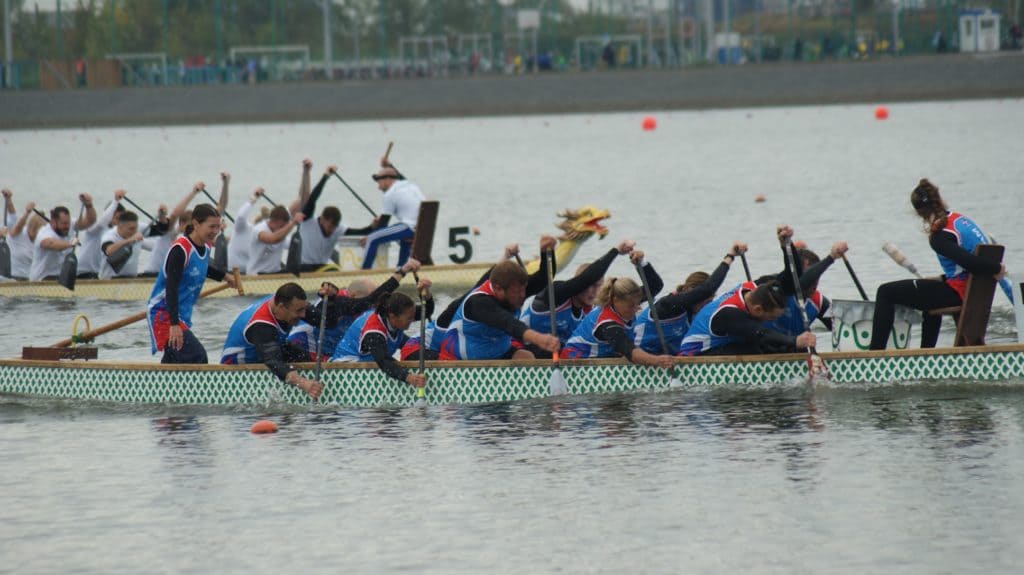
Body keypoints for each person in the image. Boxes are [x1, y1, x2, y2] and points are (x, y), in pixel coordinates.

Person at [870, 179, 1008, 350]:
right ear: (939, 199)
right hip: (973, 290)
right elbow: (966, 263)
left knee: (885, 292)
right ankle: (927, 353)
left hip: (960, 292)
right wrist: (942, 278)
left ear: (918, 212)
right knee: (930, 290)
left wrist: (997, 268)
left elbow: (969, 262)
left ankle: (874, 354)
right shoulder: (959, 219)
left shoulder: (939, 236)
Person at [439, 242, 561, 360]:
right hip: (460, 363)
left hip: (498, 354)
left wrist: (546, 252)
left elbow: (544, 279)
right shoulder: (478, 302)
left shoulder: (515, 289)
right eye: (516, 292)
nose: (522, 295)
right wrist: (539, 339)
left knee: (525, 357)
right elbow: (508, 323)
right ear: (498, 288)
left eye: (523, 290)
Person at [147, 204, 237, 364]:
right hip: (163, 312)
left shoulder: (206, 244)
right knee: (197, 356)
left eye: (218, 226)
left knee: (178, 358)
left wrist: (224, 276)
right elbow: (171, 289)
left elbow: (201, 266)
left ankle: (161, 386)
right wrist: (174, 325)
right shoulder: (180, 250)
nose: (216, 231)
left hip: (180, 315)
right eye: (211, 226)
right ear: (196, 224)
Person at [220, 282, 339, 399]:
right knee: (282, 363)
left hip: (265, 353)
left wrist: (331, 299)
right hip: (236, 370)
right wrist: (304, 384)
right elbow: (273, 361)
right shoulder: (261, 325)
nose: (303, 315)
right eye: (299, 311)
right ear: (281, 307)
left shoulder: (289, 303)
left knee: (302, 356)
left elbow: (329, 323)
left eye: (304, 309)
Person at [520, 239, 637, 357]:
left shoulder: (593, 312)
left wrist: (641, 263)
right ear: (580, 282)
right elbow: (587, 278)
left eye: (599, 286)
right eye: (591, 285)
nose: (595, 291)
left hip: (557, 357)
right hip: (523, 349)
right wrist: (615, 251)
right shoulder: (556, 294)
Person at [287, 258, 420, 361]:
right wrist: (402, 271)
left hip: (328, 349)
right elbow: (371, 300)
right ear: (354, 296)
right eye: (371, 304)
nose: (374, 307)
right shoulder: (340, 302)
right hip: (303, 345)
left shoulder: (353, 306)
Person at [560, 252, 675, 368]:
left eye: (638, 303)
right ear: (615, 300)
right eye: (631, 306)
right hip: (574, 365)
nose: (636, 309)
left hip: (600, 361)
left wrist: (642, 263)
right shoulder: (607, 323)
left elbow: (655, 286)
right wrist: (657, 361)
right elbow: (630, 351)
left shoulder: (627, 299)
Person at [634, 242, 747, 354]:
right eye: (706, 301)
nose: (707, 307)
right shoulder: (668, 305)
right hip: (638, 359)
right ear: (690, 291)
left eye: (710, 301)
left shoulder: (695, 315)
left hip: (666, 361)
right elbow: (707, 289)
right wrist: (730, 256)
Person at [331, 282, 435, 390]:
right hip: (346, 369)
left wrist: (426, 293)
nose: (412, 320)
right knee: (394, 362)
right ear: (393, 316)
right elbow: (384, 361)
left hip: (372, 359)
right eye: (409, 318)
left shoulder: (399, 314)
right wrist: (409, 377)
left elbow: (425, 312)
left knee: (415, 347)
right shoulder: (374, 332)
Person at [679, 279, 816, 356]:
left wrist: (786, 245)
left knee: (777, 345)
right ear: (758, 309)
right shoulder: (729, 313)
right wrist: (795, 340)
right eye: (770, 318)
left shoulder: (750, 288)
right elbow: (762, 334)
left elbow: (790, 277)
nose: (771, 321)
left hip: (723, 343)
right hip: (696, 354)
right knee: (756, 348)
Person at [294, 163, 374, 272]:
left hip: (322, 268)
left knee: (336, 270)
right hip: (303, 267)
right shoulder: (307, 220)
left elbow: (361, 232)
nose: (331, 230)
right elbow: (313, 198)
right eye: (330, 226)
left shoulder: (338, 229)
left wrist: (374, 226)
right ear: (322, 219)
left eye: (334, 227)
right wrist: (326, 176)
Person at [360, 161, 424, 269]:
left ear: (387, 179)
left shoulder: (390, 193)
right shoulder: (410, 185)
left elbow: (383, 224)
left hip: (410, 227)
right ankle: (401, 268)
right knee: (399, 235)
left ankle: (364, 273)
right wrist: (389, 164)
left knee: (372, 238)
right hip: (421, 229)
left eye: (379, 182)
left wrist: (372, 232)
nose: (378, 187)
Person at [140, 183, 205, 277]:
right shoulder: (169, 233)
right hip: (151, 276)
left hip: (168, 277)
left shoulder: (188, 241)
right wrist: (194, 192)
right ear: (181, 224)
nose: (193, 230)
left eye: (195, 227)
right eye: (190, 226)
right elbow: (174, 215)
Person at [29, 194, 97, 281]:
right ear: (53, 222)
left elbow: (90, 221)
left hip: (61, 278)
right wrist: (69, 243)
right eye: (63, 224)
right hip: (42, 279)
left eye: (68, 223)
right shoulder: (44, 233)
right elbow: (50, 244)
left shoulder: (70, 224)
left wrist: (89, 205)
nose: (67, 226)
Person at [76, 189, 127, 279]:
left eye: (122, 219)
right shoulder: (95, 228)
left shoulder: (116, 234)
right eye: (117, 218)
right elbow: (103, 221)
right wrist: (115, 201)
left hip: (96, 274)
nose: (120, 222)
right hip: (80, 273)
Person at [246, 205, 304, 275]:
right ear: (273, 221)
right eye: (281, 226)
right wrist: (293, 223)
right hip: (256, 275)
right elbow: (273, 239)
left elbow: (291, 244)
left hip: (275, 273)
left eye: (284, 227)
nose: (283, 229)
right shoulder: (259, 229)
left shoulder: (281, 233)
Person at [2, 189, 46, 280]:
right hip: (10, 277)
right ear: (32, 227)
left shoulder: (41, 239)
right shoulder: (18, 232)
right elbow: (13, 217)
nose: (40, 235)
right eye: (38, 231)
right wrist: (27, 212)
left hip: (28, 279)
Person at [226, 187, 265, 272]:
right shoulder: (242, 229)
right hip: (233, 271)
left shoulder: (264, 235)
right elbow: (240, 216)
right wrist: (254, 198)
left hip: (250, 272)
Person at [99, 211, 145, 279]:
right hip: (110, 280)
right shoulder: (109, 236)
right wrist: (129, 240)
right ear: (120, 226)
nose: (135, 232)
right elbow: (108, 251)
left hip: (131, 279)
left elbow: (153, 246)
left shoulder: (136, 237)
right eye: (131, 229)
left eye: (136, 228)